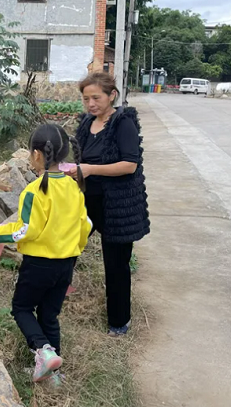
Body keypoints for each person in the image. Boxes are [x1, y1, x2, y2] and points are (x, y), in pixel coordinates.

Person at [0, 124, 90, 384]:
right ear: (64, 153)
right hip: (66, 264)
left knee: (21, 308)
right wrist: (72, 250)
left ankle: (43, 351)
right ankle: (54, 375)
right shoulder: (74, 187)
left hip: (39, 264)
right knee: (49, 315)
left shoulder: (35, 190)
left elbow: (26, 231)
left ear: (36, 155)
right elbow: (85, 225)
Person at [68, 72, 150, 337]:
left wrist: (90, 169)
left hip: (118, 206)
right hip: (87, 202)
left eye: (96, 98)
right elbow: (79, 158)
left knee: (116, 264)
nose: (90, 104)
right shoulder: (86, 124)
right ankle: (57, 294)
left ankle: (118, 321)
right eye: (86, 99)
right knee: (67, 244)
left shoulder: (122, 123)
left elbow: (129, 165)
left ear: (111, 95)